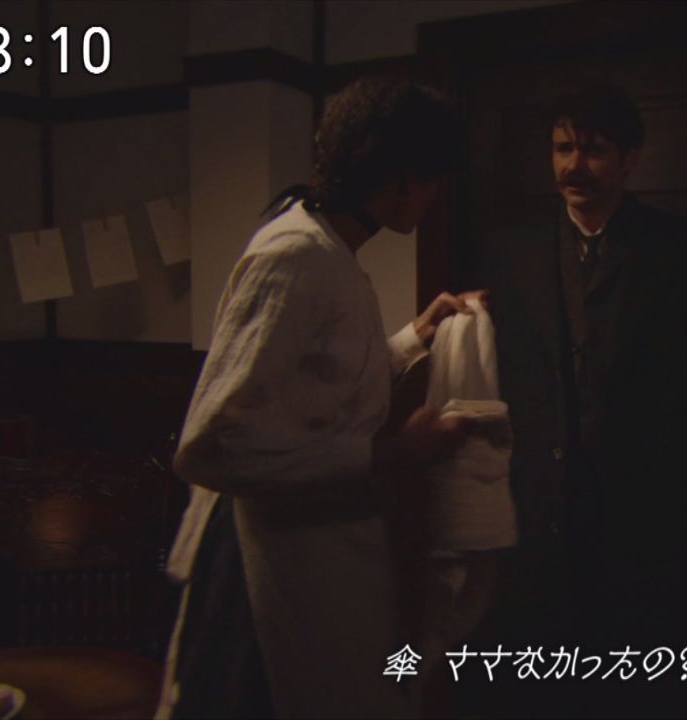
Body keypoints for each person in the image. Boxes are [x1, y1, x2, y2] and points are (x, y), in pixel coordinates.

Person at [156, 76, 483, 720]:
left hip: (310, 551)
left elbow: (319, 385)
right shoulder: (295, 256)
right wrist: (389, 454)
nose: (435, 196)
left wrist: (414, 338)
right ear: (400, 181)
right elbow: (212, 444)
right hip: (260, 568)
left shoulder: (331, 249)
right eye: (432, 179)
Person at [477, 80, 687, 715]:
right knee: (546, 664)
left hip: (651, 494)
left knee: (641, 665)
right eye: (562, 148)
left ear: (631, 159)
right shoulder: (512, 249)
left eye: (594, 150)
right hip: (541, 497)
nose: (573, 166)